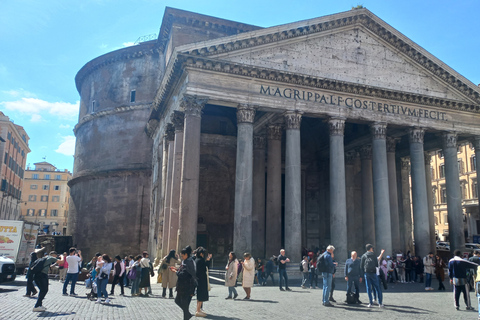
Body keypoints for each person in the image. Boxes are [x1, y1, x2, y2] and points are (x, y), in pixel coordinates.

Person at [175, 246, 197, 320]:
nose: (181, 257)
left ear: (186, 254)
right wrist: (177, 269)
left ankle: (187, 315)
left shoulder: (188, 262)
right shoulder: (186, 262)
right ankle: (187, 314)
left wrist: (176, 272)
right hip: (182, 286)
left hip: (187, 286)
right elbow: (184, 271)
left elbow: (184, 274)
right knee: (178, 301)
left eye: (182, 256)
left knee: (184, 304)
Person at [360, 244, 385, 308]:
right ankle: (380, 303)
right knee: (378, 288)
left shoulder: (363, 255)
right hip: (373, 273)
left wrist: (363, 273)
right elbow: (377, 264)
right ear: (371, 248)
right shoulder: (373, 255)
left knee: (368, 288)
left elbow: (361, 266)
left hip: (367, 273)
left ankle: (370, 303)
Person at [195, 247, 212, 317]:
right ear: (201, 254)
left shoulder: (196, 260)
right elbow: (206, 266)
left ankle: (198, 309)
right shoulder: (201, 260)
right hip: (202, 279)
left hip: (198, 279)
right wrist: (208, 260)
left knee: (199, 294)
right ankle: (198, 310)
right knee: (201, 295)